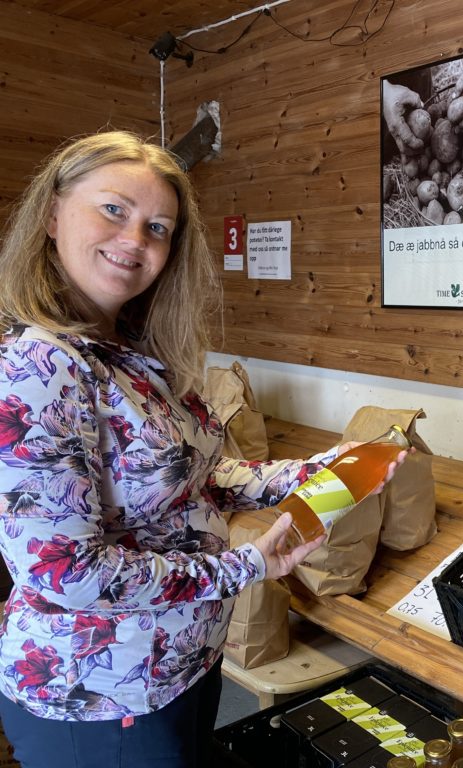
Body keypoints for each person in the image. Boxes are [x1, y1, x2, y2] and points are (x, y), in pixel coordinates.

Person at [0, 131, 406, 767]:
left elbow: (199, 475)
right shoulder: (38, 367)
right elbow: (67, 574)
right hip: (102, 695)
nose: (136, 239)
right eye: (113, 210)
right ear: (52, 214)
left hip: (182, 664)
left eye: (158, 227)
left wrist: (316, 471)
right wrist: (245, 566)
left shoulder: (133, 354)